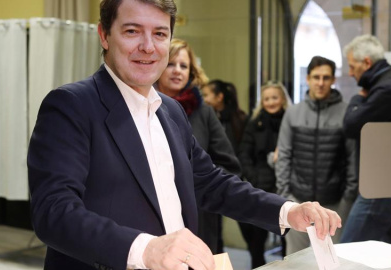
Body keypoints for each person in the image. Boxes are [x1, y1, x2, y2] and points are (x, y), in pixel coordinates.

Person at [27, 1, 342, 269]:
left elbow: (210, 182)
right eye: (132, 31)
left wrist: (288, 211)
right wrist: (147, 249)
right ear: (104, 35)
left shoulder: (172, 111)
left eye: (160, 34)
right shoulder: (72, 105)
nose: (148, 46)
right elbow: (54, 212)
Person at [156, 38, 241, 254]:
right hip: (153, 218)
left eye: (183, 66)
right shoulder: (142, 107)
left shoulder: (204, 113)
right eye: (170, 64)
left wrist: (200, 190)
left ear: (192, 72)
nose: (177, 71)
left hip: (199, 217)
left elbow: (229, 165)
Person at [341, 34, 391, 245]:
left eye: (352, 66)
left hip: (382, 188)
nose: (350, 73)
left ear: (366, 62)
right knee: (389, 257)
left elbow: (350, 125)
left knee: (347, 252)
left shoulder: (388, 88)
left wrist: (359, 96)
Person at [275, 56, 358, 255]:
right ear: (308, 78)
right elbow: (284, 155)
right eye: (316, 77)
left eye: (326, 78)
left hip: (333, 206)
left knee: (332, 262)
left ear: (333, 80)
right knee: (296, 264)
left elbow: (352, 160)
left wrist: (346, 202)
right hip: (298, 202)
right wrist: (286, 197)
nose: (321, 83)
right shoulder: (293, 113)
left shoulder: (346, 113)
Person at [237, 81, 290, 268]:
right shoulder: (254, 123)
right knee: (257, 238)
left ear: (283, 99)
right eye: (266, 99)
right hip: (260, 186)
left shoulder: (290, 121)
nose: (270, 102)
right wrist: (254, 178)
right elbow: (244, 154)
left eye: (274, 98)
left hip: (284, 186)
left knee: (287, 236)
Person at [202, 79, 248, 155]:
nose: (204, 99)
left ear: (219, 97)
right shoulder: (206, 117)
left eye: (206, 95)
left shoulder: (240, 119)